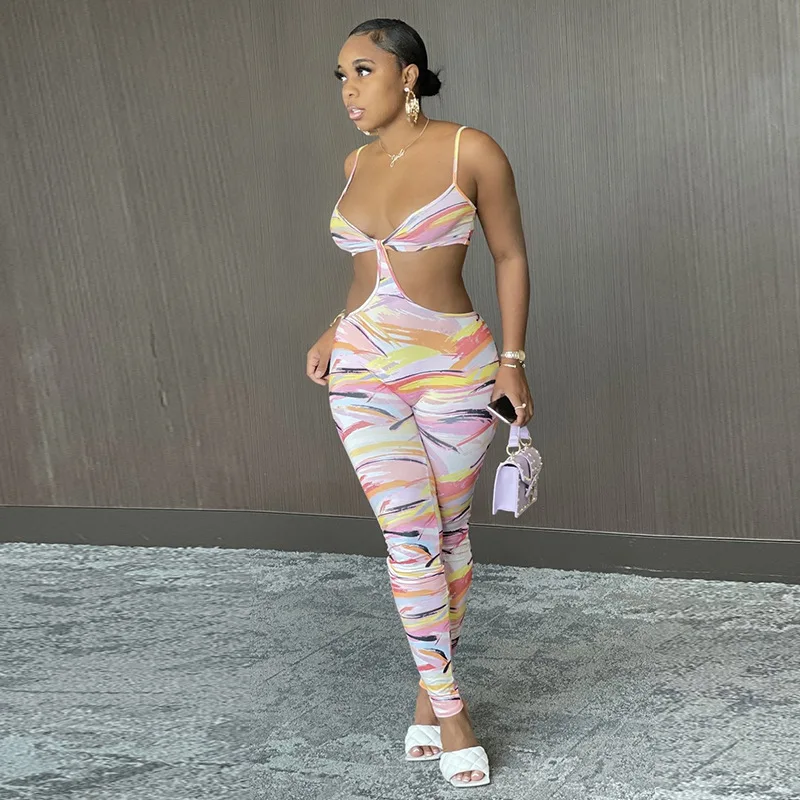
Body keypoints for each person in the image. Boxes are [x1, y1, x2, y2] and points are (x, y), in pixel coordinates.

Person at [305, 17, 533, 789]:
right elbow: (366, 276)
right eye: (340, 76)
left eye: (362, 71)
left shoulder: (472, 150)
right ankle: (452, 710)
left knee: (449, 536)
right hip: (363, 370)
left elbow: (510, 255)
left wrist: (512, 363)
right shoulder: (355, 163)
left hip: (455, 369)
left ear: (407, 74)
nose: (348, 90)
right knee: (409, 537)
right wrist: (335, 327)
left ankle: (426, 693)